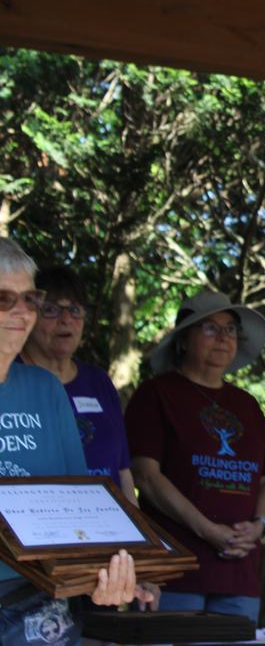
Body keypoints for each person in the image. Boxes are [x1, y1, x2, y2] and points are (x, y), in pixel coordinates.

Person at [0, 237, 151, 643]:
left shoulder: (47, 389)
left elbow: (80, 506)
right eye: (4, 299)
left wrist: (111, 570)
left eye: (30, 299)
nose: (21, 312)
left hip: (40, 603)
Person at [125, 290, 265, 622]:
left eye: (230, 330)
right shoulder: (156, 394)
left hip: (239, 576)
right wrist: (208, 530)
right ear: (183, 340)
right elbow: (146, 476)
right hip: (173, 573)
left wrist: (260, 525)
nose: (223, 338)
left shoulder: (248, 406)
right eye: (209, 328)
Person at [20, 266, 135, 503]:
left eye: (74, 309)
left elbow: (123, 471)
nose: (66, 320)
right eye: (51, 310)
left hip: (107, 527)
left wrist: (141, 532)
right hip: (39, 525)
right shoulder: (9, 378)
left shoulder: (98, 381)